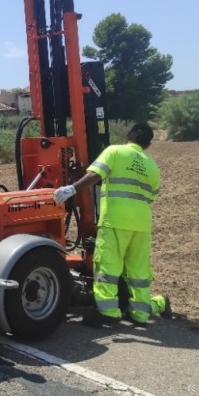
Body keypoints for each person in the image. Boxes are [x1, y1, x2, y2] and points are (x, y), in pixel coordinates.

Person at [53, 122, 172, 327]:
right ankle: (142, 314)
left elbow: (96, 175)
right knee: (138, 272)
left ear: (129, 134)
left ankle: (108, 313)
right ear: (148, 145)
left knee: (107, 268)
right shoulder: (152, 166)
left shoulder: (115, 151)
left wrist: (71, 189)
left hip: (115, 221)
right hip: (142, 225)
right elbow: (150, 197)